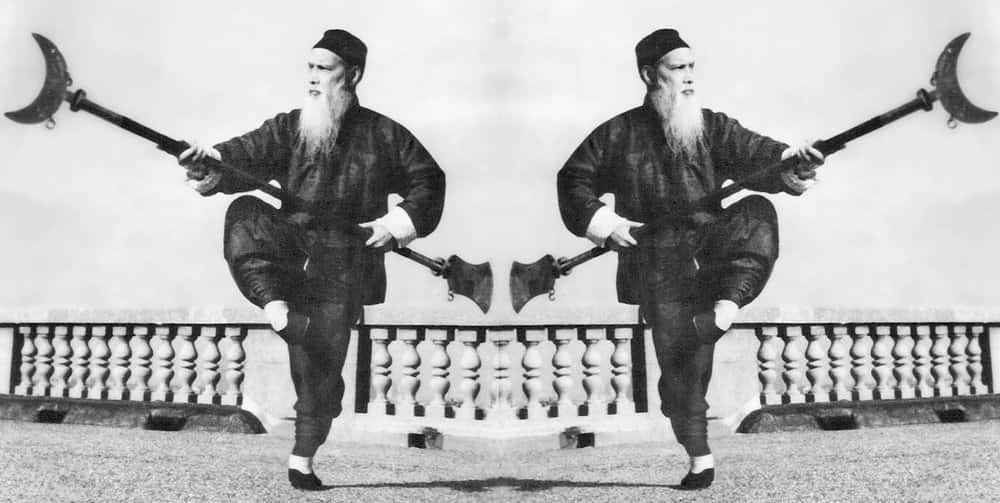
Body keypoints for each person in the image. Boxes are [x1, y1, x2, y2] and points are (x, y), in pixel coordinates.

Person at [179, 29, 445, 490]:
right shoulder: (289, 127)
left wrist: (394, 226)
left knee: (319, 376)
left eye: (324, 68)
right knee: (244, 213)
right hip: (289, 253)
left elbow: (430, 181)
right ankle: (277, 309)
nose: (313, 77)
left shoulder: (385, 134)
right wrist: (208, 163)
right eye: (309, 67)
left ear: (353, 75)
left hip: (343, 264)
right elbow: (242, 156)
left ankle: (302, 460)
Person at [557, 28, 822, 490]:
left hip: (712, 253)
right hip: (658, 264)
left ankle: (724, 309)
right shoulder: (617, 133)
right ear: (649, 75)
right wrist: (607, 224)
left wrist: (792, 161)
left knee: (757, 212)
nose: (689, 77)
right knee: (683, 374)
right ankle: (700, 459)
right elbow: (572, 180)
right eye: (678, 68)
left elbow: (759, 155)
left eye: (692, 67)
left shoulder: (712, 126)